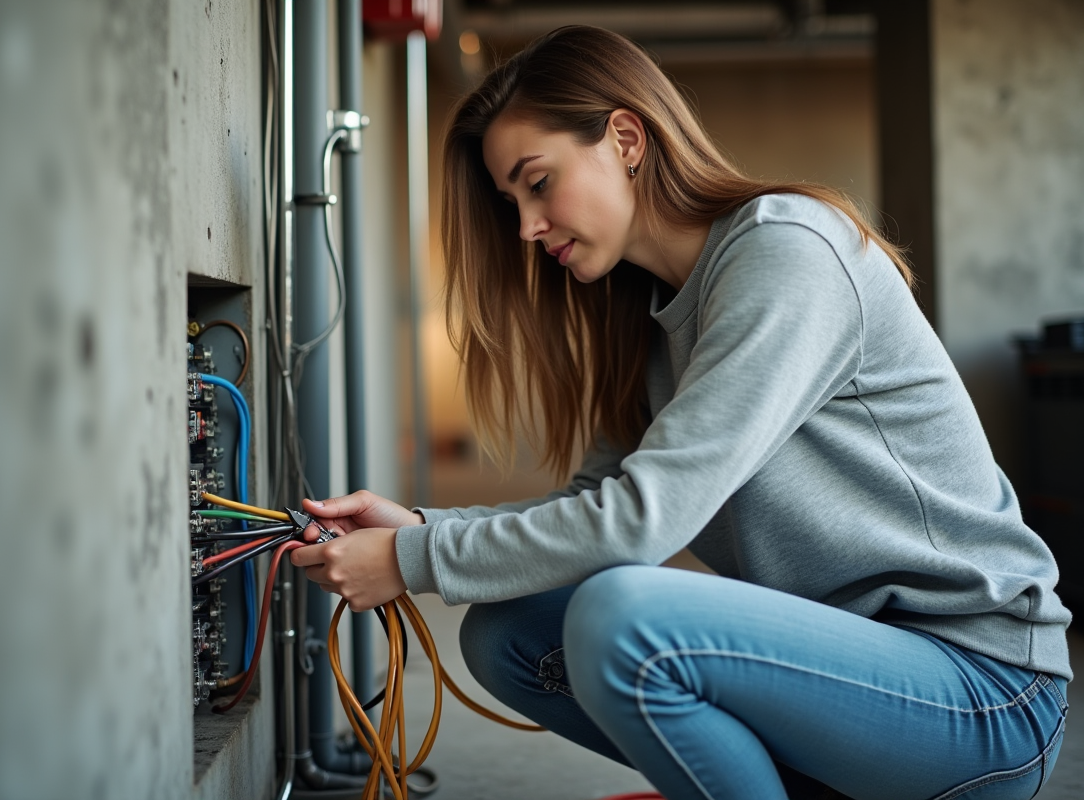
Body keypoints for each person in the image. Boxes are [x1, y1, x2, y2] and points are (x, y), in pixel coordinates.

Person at [290, 25, 1071, 800]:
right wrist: (424, 531)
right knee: (508, 635)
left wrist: (410, 563)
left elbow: (637, 524)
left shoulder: (785, 253)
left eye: (537, 182)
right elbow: (593, 509)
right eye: (511, 202)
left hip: (982, 695)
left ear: (625, 137)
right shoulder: (648, 318)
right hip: (849, 675)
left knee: (624, 618)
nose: (527, 228)